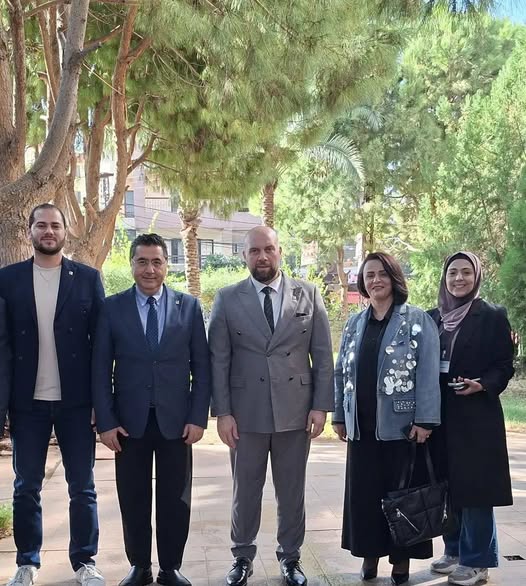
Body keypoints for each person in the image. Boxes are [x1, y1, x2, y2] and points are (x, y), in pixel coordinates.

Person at [208, 226, 334, 586]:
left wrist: (320, 406)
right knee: (245, 491)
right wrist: (223, 413)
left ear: (280, 251)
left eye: (268, 249)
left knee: (292, 491)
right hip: (244, 414)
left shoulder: (308, 294)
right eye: (254, 251)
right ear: (244, 256)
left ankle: (290, 558)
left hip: (296, 411)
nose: (262, 257)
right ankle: (242, 557)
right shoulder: (227, 298)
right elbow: (218, 360)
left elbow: (323, 355)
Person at [92, 233, 211, 586]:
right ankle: (140, 566)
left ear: (166, 265)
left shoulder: (188, 307)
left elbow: (202, 368)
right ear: (131, 264)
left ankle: (170, 567)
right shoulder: (112, 308)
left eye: (157, 262)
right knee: (133, 497)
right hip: (128, 424)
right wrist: (106, 422)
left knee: (176, 498)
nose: (149, 269)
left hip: (177, 422)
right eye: (142, 261)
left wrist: (197, 417)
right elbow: (100, 368)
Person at [0, 203, 105, 586]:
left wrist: (100, 403)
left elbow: (100, 348)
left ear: (64, 231)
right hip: (27, 403)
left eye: (55, 225)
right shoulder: (8, 279)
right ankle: (27, 562)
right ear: (29, 231)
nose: (48, 231)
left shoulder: (88, 279)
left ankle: (85, 562)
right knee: (26, 486)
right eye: (41, 225)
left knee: (83, 487)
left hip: (76, 403)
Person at [332, 251, 441, 586]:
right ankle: (370, 555)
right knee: (366, 498)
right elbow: (341, 371)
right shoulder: (354, 323)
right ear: (362, 283)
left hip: (402, 429)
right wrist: (339, 415)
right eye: (369, 275)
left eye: (381, 274)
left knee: (400, 497)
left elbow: (428, 372)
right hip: (362, 429)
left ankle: (401, 560)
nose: (375, 280)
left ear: (394, 278)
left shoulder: (417, 320)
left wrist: (425, 420)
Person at [428, 252, 514, 586]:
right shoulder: (432, 317)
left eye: (466, 272)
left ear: (476, 277)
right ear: (444, 277)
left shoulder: (492, 316)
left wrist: (483, 384)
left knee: (476, 488)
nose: (458, 278)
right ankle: (454, 550)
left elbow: (504, 365)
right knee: (447, 485)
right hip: (440, 415)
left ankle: (477, 560)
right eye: (453, 272)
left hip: (477, 416)